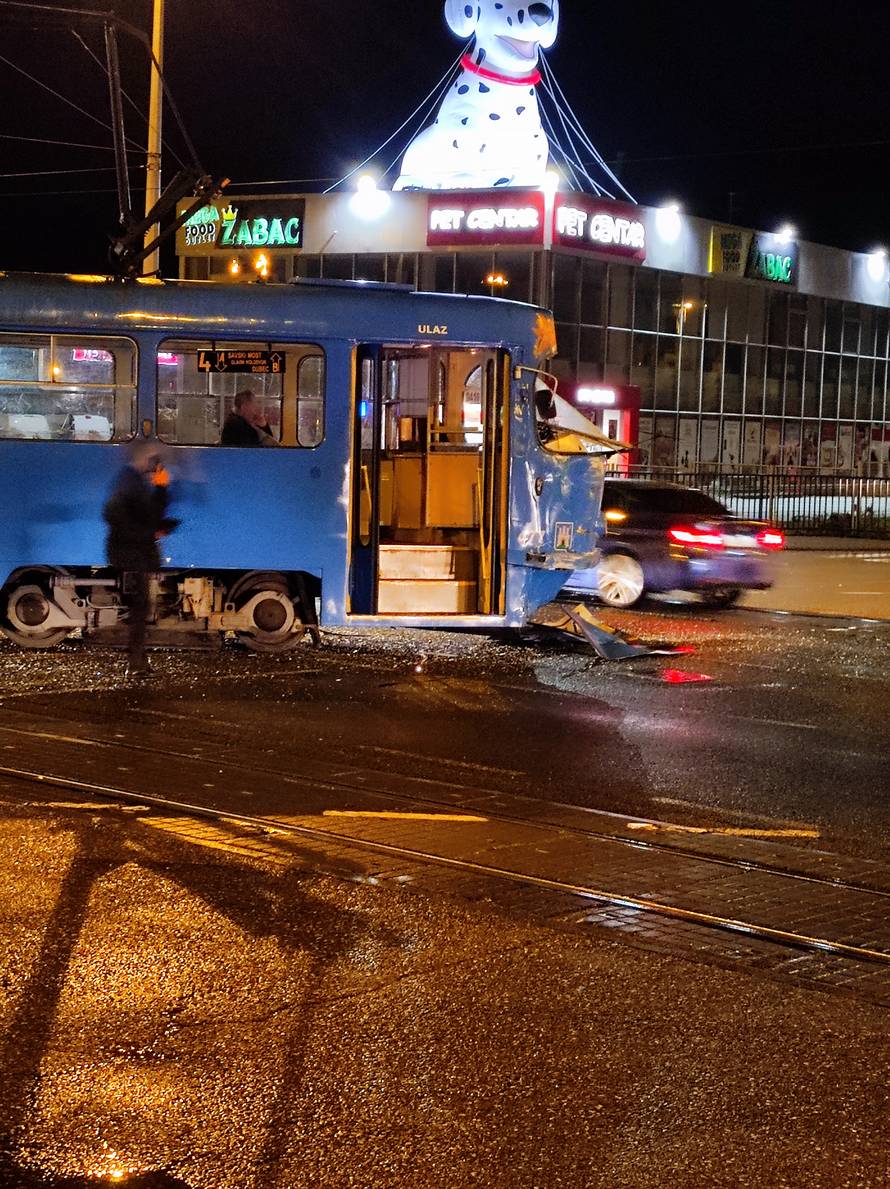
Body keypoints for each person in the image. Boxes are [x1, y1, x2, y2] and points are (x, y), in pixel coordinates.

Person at [103, 440, 178, 678]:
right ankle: (136, 663)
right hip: (132, 553)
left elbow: (148, 516)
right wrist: (161, 491)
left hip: (134, 552)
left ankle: (138, 662)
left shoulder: (133, 481)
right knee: (139, 608)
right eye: (153, 458)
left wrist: (160, 490)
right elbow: (122, 517)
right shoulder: (130, 482)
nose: (155, 463)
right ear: (143, 458)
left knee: (140, 607)